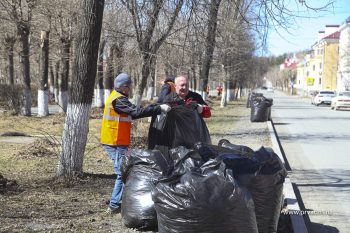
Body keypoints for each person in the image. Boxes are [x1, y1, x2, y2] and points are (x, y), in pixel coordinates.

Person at [100, 72, 171, 214]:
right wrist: (158, 108)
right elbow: (136, 112)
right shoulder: (119, 100)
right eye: (130, 86)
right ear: (124, 87)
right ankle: (114, 205)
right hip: (115, 142)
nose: (131, 88)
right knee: (122, 173)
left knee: (123, 172)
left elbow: (135, 111)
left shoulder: (117, 97)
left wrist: (154, 106)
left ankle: (118, 201)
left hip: (116, 141)